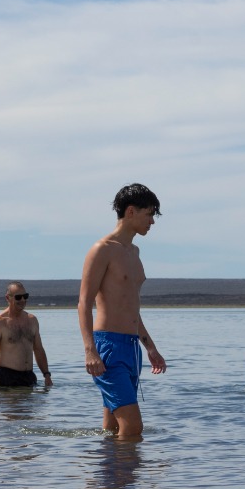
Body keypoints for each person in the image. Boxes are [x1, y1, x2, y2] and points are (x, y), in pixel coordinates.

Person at [76, 183, 168, 439]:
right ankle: (126, 477)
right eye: (149, 214)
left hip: (131, 347)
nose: (152, 221)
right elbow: (84, 302)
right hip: (108, 347)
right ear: (131, 212)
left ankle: (111, 478)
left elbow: (131, 308)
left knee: (113, 427)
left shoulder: (135, 252)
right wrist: (90, 350)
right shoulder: (102, 249)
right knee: (133, 427)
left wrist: (149, 347)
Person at [0, 282, 53, 388]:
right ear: (8, 298)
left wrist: (46, 375)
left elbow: (38, 349)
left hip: (28, 376)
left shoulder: (32, 320)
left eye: (25, 296)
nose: (23, 300)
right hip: (7, 376)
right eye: (18, 297)